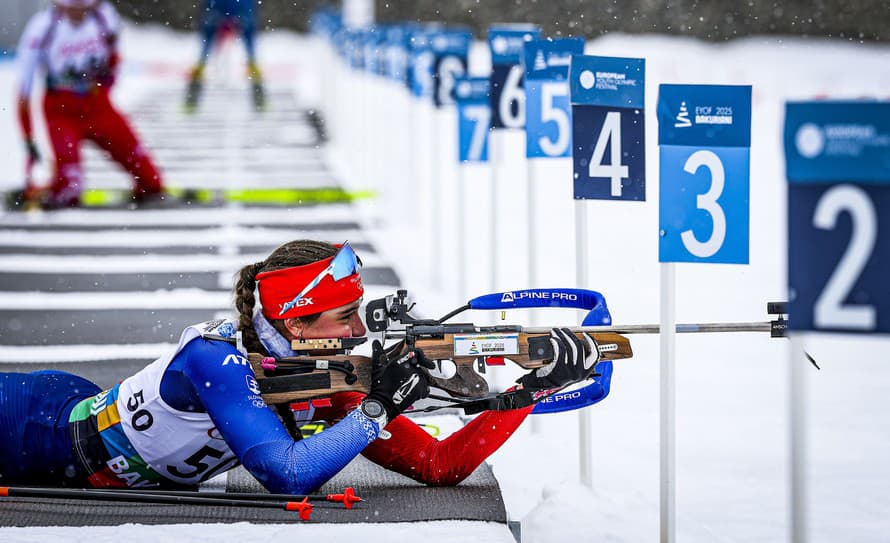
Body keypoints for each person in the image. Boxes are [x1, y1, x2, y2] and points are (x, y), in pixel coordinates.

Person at [0, 240, 602, 492]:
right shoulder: (217, 360)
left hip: (72, 421)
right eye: (345, 317)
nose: (360, 332)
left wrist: (530, 390)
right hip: (36, 430)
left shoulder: (323, 374)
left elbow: (438, 466)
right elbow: (288, 476)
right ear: (295, 323)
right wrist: (380, 405)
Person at [15, 0, 166, 210]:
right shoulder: (42, 27)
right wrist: (29, 140)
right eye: (72, 6)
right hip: (61, 110)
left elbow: (114, 57)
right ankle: (49, 189)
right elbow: (24, 90)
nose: (78, 11)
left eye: (84, 5)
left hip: (97, 105)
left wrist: (105, 85)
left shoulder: (104, 16)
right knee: (69, 190)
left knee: (151, 181)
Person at [184, 0, 265, 111]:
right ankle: (192, 94)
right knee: (205, 54)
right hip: (229, 10)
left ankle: (258, 94)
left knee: (205, 53)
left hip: (227, 10)